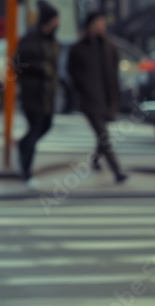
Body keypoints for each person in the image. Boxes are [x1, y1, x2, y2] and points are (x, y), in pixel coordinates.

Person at [66, 11, 128, 183]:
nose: (102, 27)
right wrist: (82, 88)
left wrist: (115, 99)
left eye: (103, 23)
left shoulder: (110, 47)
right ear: (89, 25)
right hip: (89, 100)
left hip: (107, 98)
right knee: (104, 135)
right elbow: (71, 71)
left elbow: (114, 75)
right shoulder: (78, 48)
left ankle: (95, 159)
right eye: (98, 23)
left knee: (102, 134)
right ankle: (118, 171)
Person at [15, 0, 61, 182]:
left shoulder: (53, 42)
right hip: (32, 95)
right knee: (35, 128)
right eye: (55, 20)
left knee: (46, 125)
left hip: (47, 95)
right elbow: (17, 64)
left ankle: (23, 145)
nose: (57, 24)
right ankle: (26, 167)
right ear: (48, 21)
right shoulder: (30, 40)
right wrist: (39, 68)